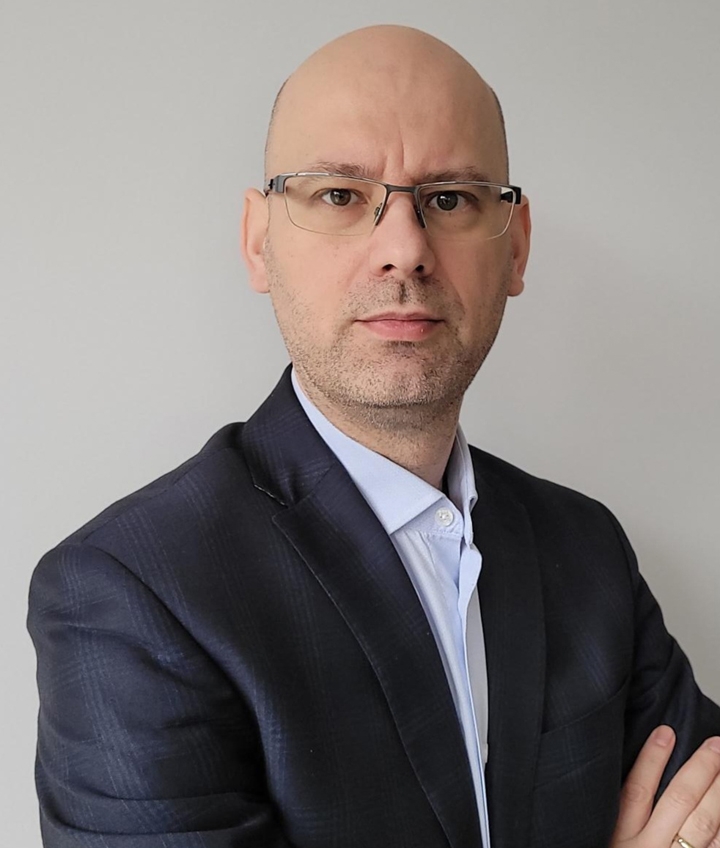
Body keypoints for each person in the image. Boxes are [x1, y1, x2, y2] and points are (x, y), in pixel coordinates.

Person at [28, 24, 720, 848]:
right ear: (258, 242)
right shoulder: (132, 595)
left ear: (517, 247)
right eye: (339, 195)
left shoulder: (588, 547)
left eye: (451, 198)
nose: (404, 250)